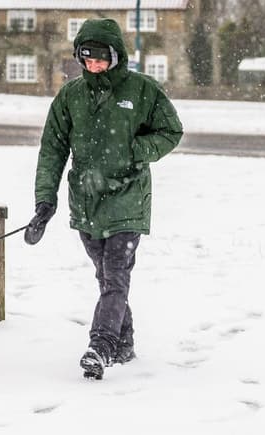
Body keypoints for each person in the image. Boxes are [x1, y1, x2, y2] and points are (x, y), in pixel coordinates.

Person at [25, 18, 183, 380]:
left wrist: (138, 149)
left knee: (115, 276)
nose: (93, 65)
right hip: (87, 201)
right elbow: (52, 149)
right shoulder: (71, 96)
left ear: (115, 56)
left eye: (100, 59)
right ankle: (124, 342)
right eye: (86, 58)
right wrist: (44, 203)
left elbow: (171, 131)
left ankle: (102, 345)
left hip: (128, 197)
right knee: (106, 276)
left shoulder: (142, 90)